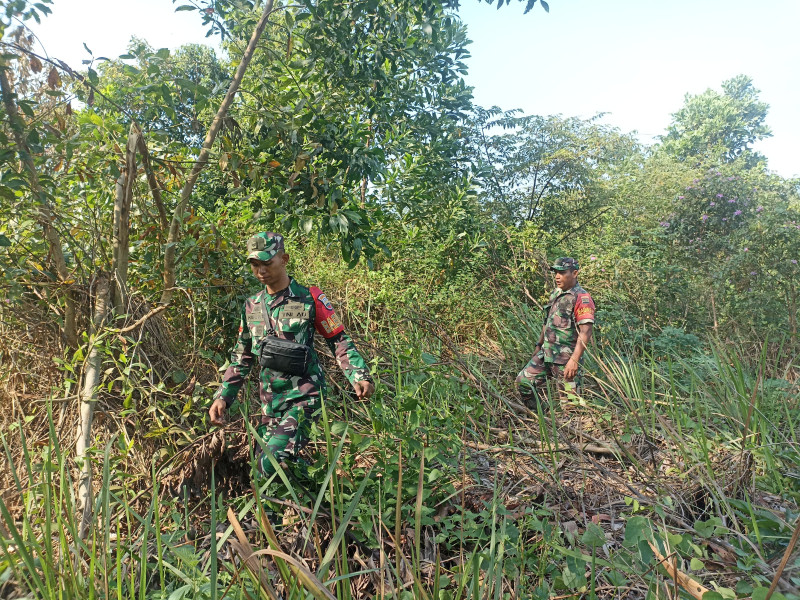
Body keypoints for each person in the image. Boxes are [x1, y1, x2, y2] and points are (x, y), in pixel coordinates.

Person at [208, 232, 374, 476]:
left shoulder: (310, 298)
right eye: (255, 265)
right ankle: (313, 504)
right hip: (270, 404)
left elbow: (338, 339)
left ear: (284, 259)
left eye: (267, 263)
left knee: (269, 464)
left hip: (305, 398)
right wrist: (223, 396)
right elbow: (242, 356)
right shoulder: (251, 305)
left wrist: (359, 375)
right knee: (265, 472)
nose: (261, 271)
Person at [516, 257, 595, 410]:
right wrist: (539, 345)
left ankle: (571, 430)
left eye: (562, 272)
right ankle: (541, 415)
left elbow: (586, 332)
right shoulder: (556, 293)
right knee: (523, 382)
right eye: (556, 273)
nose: (557, 276)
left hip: (566, 359)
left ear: (575, 273)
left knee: (570, 405)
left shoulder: (582, 298)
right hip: (547, 354)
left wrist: (574, 360)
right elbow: (547, 323)